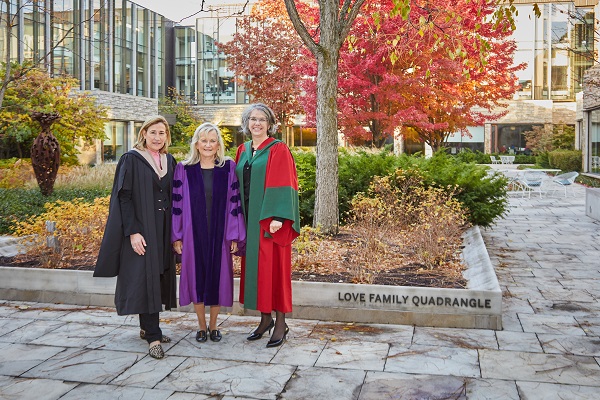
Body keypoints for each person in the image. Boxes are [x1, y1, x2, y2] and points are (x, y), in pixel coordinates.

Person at [94, 115, 177, 360]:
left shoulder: (169, 160)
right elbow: (124, 197)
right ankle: (153, 336)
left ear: (166, 137)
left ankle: (146, 327)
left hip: (163, 229)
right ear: (143, 134)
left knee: (157, 276)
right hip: (142, 229)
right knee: (145, 277)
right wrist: (133, 232)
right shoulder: (131, 159)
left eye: (162, 133)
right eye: (153, 132)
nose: (157, 137)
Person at [171, 123, 246, 343]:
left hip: (220, 233)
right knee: (197, 277)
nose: (208, 145)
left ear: (218, 144)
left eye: (212, 140)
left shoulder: (228, 167)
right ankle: (201, 326)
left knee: (217, 277)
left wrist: (234, 235)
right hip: (193, 234)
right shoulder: (184, 169)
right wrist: (177, 235)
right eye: (203, 140)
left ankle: (214, 326)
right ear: (196, 143)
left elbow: (235, 204)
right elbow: (177, 205)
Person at [235, 103, 300, 348]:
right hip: (249, 222)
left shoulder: (278, 149)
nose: (257, 123)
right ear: (247, 123)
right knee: (257, 272)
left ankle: (281, 322)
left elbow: (286, 183)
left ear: (270, 124)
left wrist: (278, 217)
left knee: (276, 272)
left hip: (270, 222)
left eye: (262, 119)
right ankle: (265, 320)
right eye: (253, 119)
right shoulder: (243, 150)